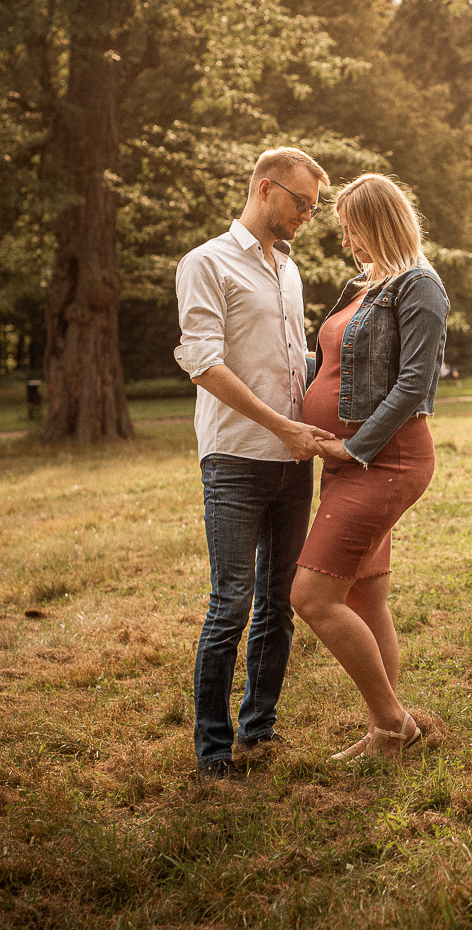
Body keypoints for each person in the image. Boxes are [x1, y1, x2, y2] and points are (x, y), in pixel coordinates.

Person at [173, 147, 334, 783]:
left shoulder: (289, 270)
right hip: (236, 458)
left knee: (278, 601)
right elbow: (202, 362)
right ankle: (213, 751)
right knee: (231, 603)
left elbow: (292, 364)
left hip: (294, 460)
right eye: (301, 202)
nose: (307, 216)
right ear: (265, 188)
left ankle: (258, 728)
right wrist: (282, 426)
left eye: (315, 208)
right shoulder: (206, 263)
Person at [290, 173, 448, 761]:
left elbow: (414, 383)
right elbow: (333, 366)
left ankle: (394, 725)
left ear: (378, 223)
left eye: (351, 229)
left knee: (312, 597)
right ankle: (389, 732)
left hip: (385, 460)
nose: (346, 242)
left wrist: (354, 447)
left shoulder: (419, 286)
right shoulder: (362, 287)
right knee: (364, 597)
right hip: (346, 459)